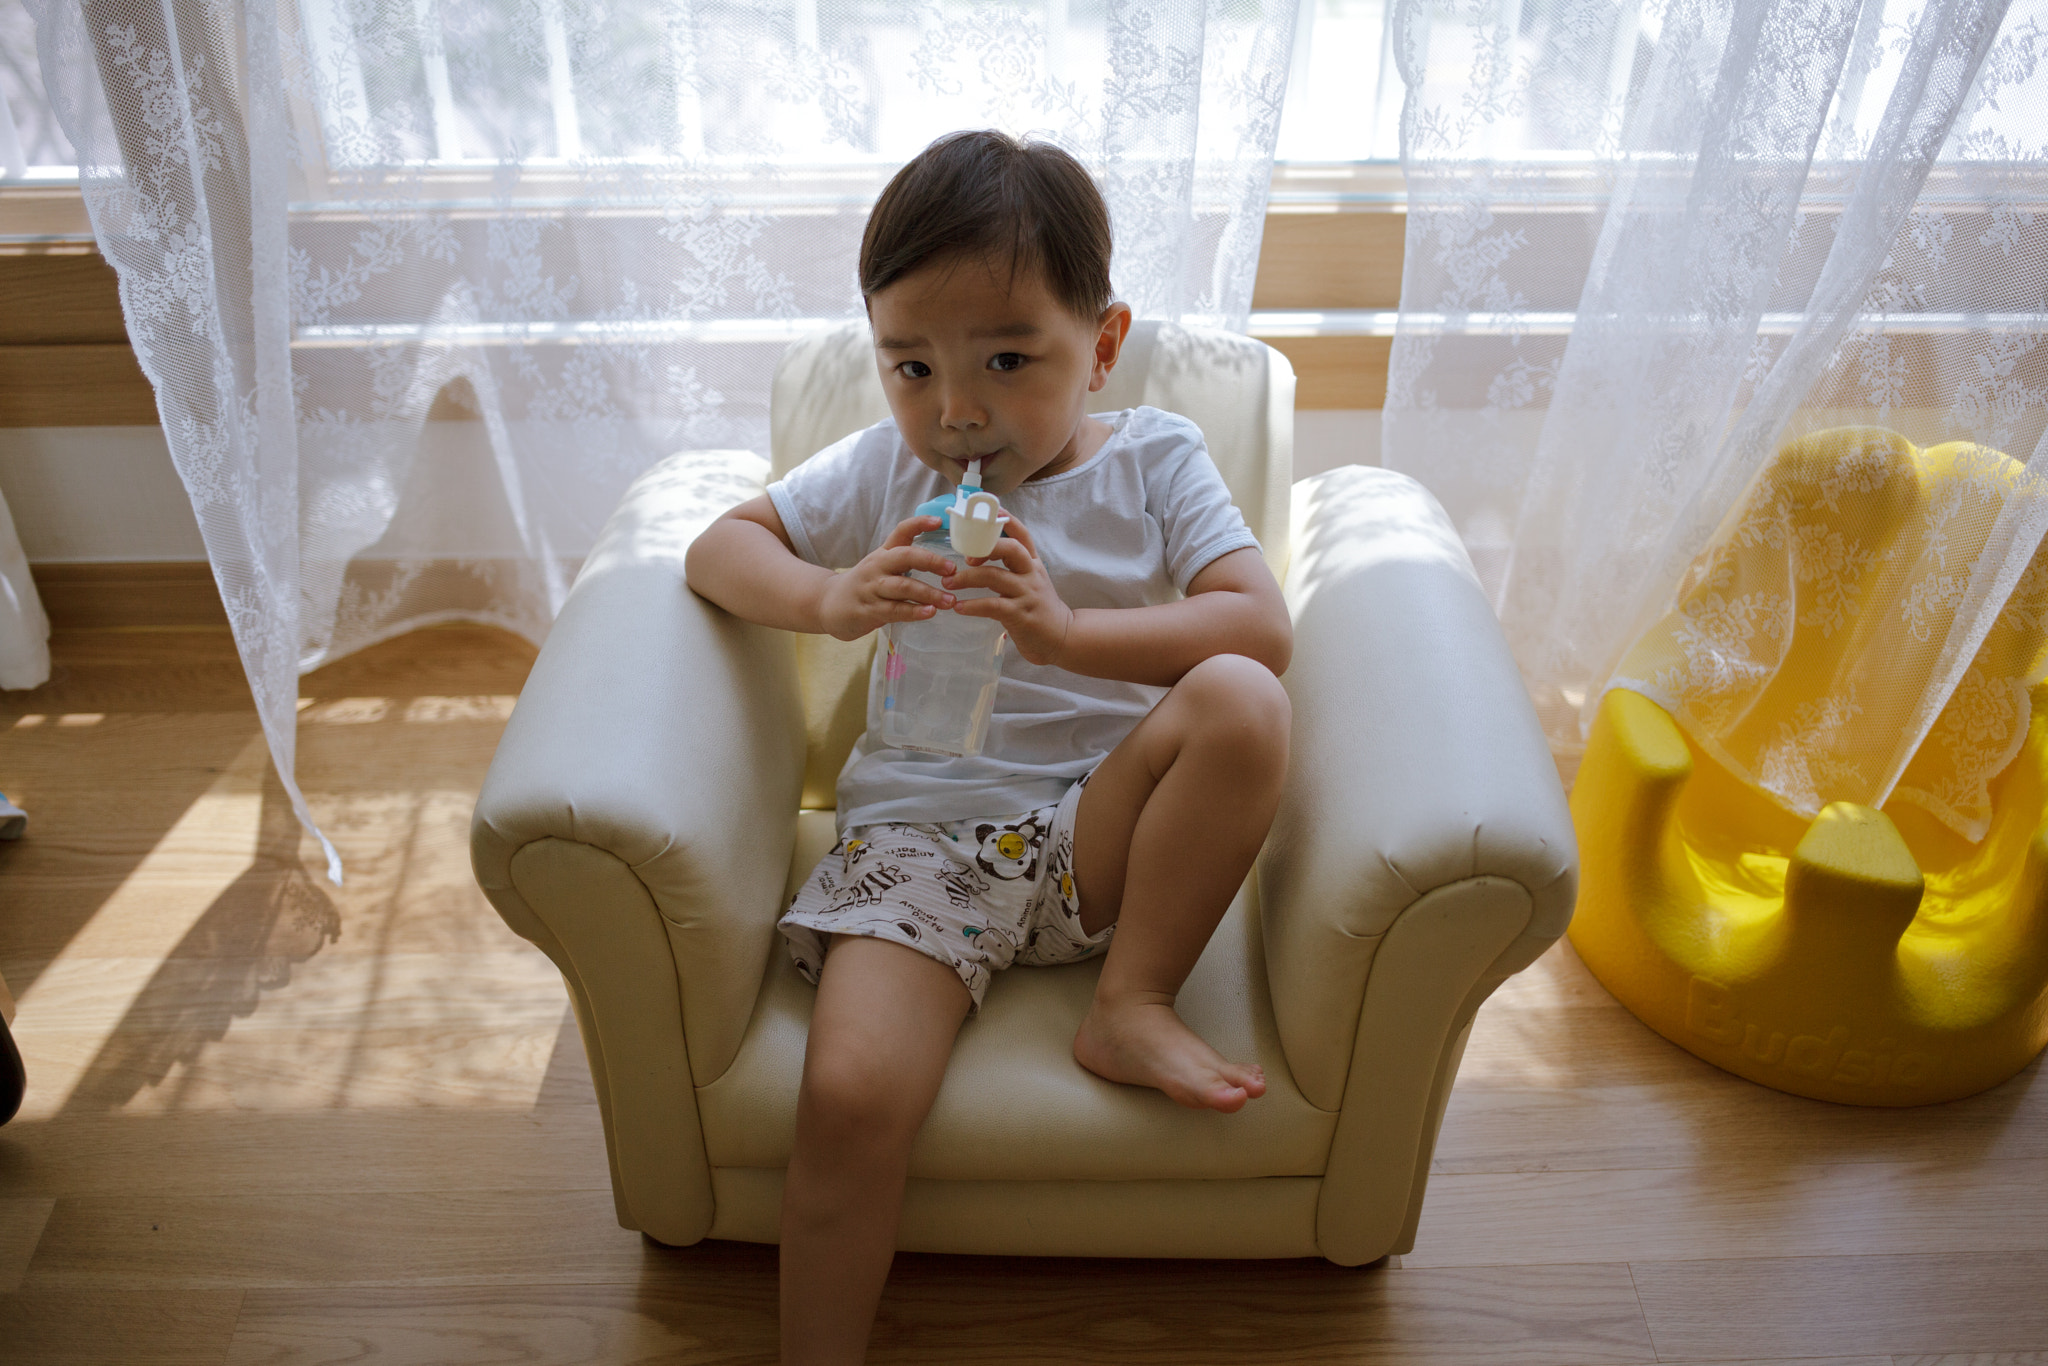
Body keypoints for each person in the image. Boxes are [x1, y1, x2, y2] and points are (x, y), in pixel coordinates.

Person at [684, 129, 1293, 1366]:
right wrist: (832, 597)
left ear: (1102, 346)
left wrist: (1067, 634)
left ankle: (1128, 1005)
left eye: (1008, 360)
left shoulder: (1153, 459)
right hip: (918, 845)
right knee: (849, 1097)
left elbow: (1256, 625)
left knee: (1239, 699)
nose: (955, 410)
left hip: (1093, 834)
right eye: (909, 366)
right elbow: (717, 551)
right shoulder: (886, 474)